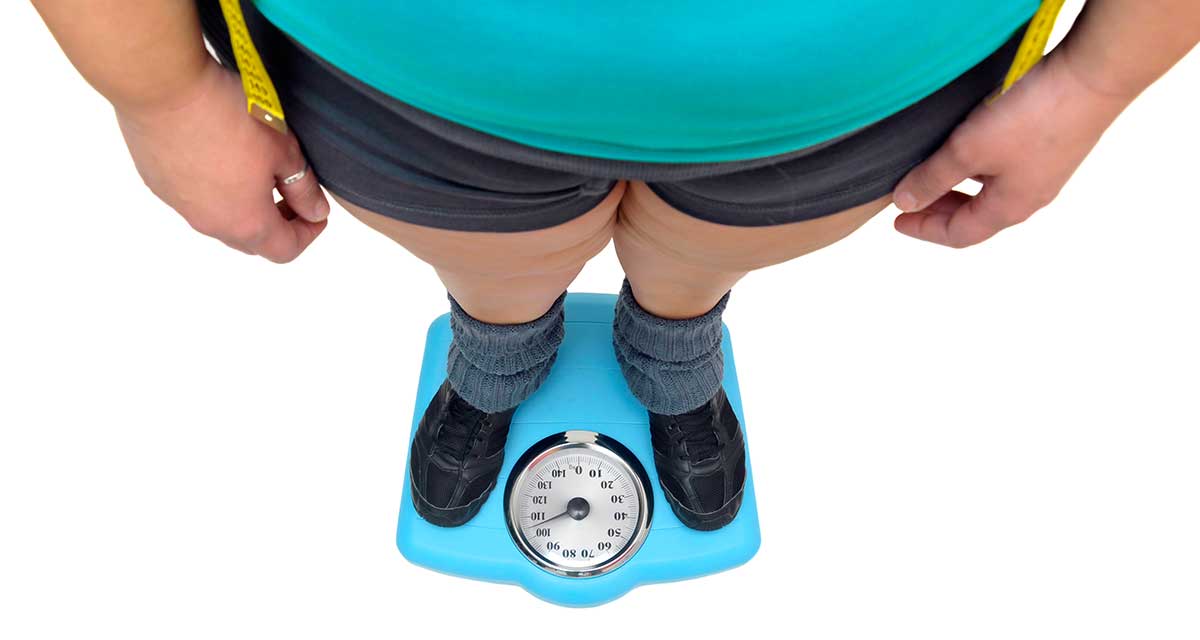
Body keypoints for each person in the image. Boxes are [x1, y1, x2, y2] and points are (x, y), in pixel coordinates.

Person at [31, 1, 1200, 531]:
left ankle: (675, 340)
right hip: (409, 80)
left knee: (707, 252)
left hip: (847, 99)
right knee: (495, 262)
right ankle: (498, 345)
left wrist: (1101, 74)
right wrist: (156, 86)